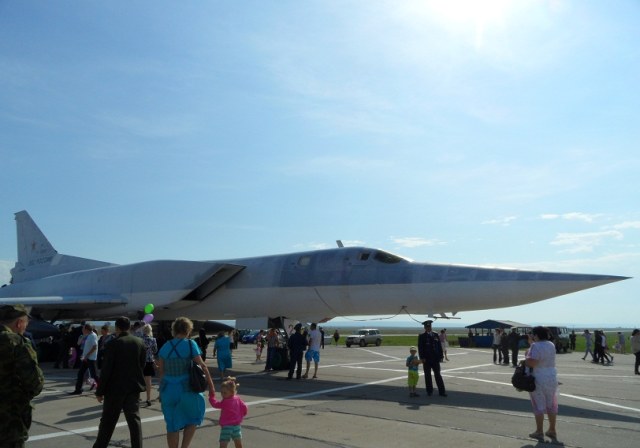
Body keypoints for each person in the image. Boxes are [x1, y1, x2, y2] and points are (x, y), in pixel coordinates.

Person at [157, 317, 214, 448]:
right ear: (188, 330)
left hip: (168, 391)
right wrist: (211, 386)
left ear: (174, 330)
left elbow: (161, 372)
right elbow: (203, 366)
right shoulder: (190, 344)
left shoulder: (165, 346)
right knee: (192, 419)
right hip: (187, 390)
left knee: (171, 425)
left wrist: (161, 392)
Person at [93, 316, 146, 448]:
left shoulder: (112, 344)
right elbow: (142, 365)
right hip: (133, 387)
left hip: (115, 390)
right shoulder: (139, 342)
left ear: (117, 328)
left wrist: (100, 391)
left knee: (108, 422)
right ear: (129, 327)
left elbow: (106, 370)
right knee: (134, 422)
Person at [0, 304, 44, 448]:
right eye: (26, 323)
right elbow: (35, 383)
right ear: (19, 323)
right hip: (8, 421)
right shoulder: (16, 342)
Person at [524, 326, 558, 442]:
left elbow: (532, 362)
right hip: (551, 377)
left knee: (538, 405)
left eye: (533, 334)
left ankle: (539, 431)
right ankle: (552, 429)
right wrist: (531, 345)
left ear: (536, 335)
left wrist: (524, 360)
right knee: (551, 404)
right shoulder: (551, 344)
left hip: (538, 378)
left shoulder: (535, 346)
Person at [208, 377, 248, 448]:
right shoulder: (237, 398)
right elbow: (244, 406)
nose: (222, 394)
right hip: (236, 426)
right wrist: (242, 414)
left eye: (225, 393)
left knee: (223, 443)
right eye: (221, 392)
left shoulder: (225, 401)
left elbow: (215, 404)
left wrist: (211, 397)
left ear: (231, 392)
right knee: (238, 443)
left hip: (227, 426)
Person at [418, 320, 446, 397]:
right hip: (426, 359)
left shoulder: (435, 334)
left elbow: (439, 346)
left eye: (429, 326)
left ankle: (442, 391)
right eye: (427, 327)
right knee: (427, 375)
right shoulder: (422, 336)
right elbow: (420, 348)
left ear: (431, 326)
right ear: (424, 327)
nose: (428, 328)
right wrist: (422, 358)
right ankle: (429, 391)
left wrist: (441, 356)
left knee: (438, 375)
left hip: (435, 359)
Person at [71, 323, 99, 394]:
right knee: (80, 374)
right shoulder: (88, 335)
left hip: (91, 359)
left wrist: (87, 356)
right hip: (86, 359)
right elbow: (79, 344)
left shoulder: (92, 336)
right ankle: (78, 390)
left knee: (94, 375)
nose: (82, 330)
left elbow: (94, 347)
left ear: (86, 329)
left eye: (83, 328)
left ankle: (102, 389)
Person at [142, 323, 158, 406]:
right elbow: (155, 351)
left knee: (139, 380)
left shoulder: (139, 339)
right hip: (149, 361)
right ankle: (148, 399)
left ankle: (137, 397)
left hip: (140, 361)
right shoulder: (153, 340)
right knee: (148, 381)